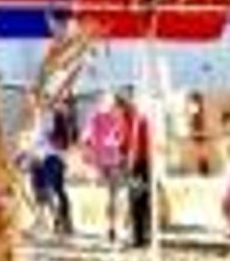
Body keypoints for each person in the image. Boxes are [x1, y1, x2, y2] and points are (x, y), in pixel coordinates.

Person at [82, 91, 126, 242]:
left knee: (112, 196)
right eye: (106, 102)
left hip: (111, 161)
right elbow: (86, 139)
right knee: (110, 196)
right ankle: (111, 226)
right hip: (104, 162)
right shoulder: (96, 118)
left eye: (109, 102)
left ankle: (112, 227)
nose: (108, 105)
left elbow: (120, 137)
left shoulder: (113, 118)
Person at [118, 92, 153, 249]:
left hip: (138, 164)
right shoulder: (133, 118)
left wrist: (125, 155)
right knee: (141, 199)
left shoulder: (136, 119)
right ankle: (143, 234)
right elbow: (124, 144)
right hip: (141, 163)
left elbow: (130, 143)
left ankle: (139, 237)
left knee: (137, 199)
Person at [44, 96, 76, 235]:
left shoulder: (61, 119)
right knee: (58, 190)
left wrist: (51, 138)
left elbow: (62, 142)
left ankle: (60, 221)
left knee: (54, 190)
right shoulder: (61, 118)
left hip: (54, 157)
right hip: (56, 157)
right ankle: (63, 221)